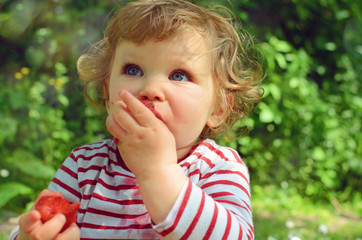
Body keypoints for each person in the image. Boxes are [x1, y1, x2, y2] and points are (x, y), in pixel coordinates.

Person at [10, 0, 263, 239]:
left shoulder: (217, 167)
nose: (151, 88)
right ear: (108, 94)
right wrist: (31, 234)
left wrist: (156, 171)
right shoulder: (83, 167)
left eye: (179, 75)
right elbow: (41, 222)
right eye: (133, 70)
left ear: (217, 109)